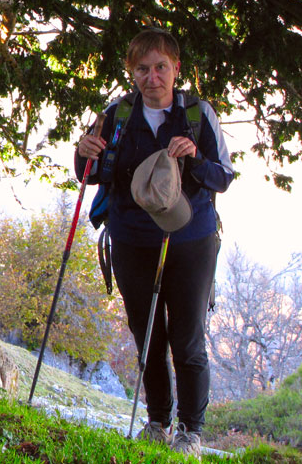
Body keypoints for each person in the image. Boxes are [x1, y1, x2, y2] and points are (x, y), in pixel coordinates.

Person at [75, 28, 234, 457]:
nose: (152, 77)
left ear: (176, 69)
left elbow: (224, 177)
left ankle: (190, 431)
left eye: (160, 67)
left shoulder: (199, 114)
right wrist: (83, 151)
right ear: (132, 72)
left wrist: (195, 159)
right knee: (147, 334)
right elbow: (91, 175)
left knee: (187, 337)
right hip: (132, 239)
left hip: (191, 238)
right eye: (142, 69)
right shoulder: (117, 115)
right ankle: (157, 421)